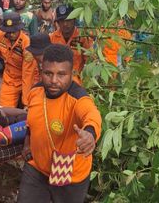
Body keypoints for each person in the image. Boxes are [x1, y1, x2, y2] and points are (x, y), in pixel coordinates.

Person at [18, 44, 102, 203]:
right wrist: (27, 143)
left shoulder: (78, 98)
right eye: (48, 73)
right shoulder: (35, 92)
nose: (54, 81)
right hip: (37, 168)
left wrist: (90, 134)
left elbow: (91, 114)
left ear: (72, 74)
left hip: (70, 174)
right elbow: (31, 123)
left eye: (61, 74)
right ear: (41, 71)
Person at [0, 11, 36, 108]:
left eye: (13, 31)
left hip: (26, 78)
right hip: (9, 79)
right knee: (3, 110)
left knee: (27, 109)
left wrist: (26, 100)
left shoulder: (27, 43)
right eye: (8, 31)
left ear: (19, 28)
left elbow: (28, 73)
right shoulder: (1, 37)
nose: (10, 34)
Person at [49, 5, 93, 84]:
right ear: (58, 22)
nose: (65, 24)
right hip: (56, 83)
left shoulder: (83, 37)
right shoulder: (51, 38)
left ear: (74, 20)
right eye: (62, 21)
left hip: (78, 83)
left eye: (68, 20)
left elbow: (90, 62)